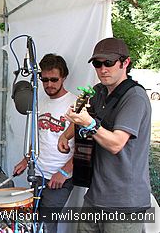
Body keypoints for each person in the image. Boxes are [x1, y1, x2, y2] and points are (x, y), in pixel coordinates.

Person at [63, 37, 151, 233]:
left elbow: (116, 144)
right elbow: (80, 116)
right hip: (95, 194)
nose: (103, 69)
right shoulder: (98, 91)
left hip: (124, 202)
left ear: (125, 63)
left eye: (109, 63)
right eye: (98, 63)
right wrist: (65, 135)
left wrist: (90, 124)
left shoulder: (135, 97)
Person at [13, 53, 76, 233]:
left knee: (47, 226)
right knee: (33, 224)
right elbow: (39, 137)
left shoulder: (76, 105)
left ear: (63, 77)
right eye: (44, 79)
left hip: (60, 177)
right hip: (38, 174)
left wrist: (63, 172)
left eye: (54, 79)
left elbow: (83, 148)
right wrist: (26, 160)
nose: (49, 84)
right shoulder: (40, 102)